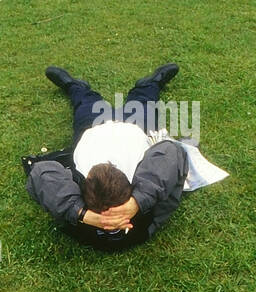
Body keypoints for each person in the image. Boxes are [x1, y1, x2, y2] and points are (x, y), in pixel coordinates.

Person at [26, 64, 188, 252]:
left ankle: (74, 86)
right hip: (135, 127)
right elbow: (171, 152)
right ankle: (151, 83)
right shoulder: (150, 215)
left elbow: (40, 171)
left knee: (86, 102)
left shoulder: (76, 222)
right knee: (143, 100)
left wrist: (81, 213)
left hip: (92, 128)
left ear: (82, 188)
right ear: (132, 185)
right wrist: (138, 202)